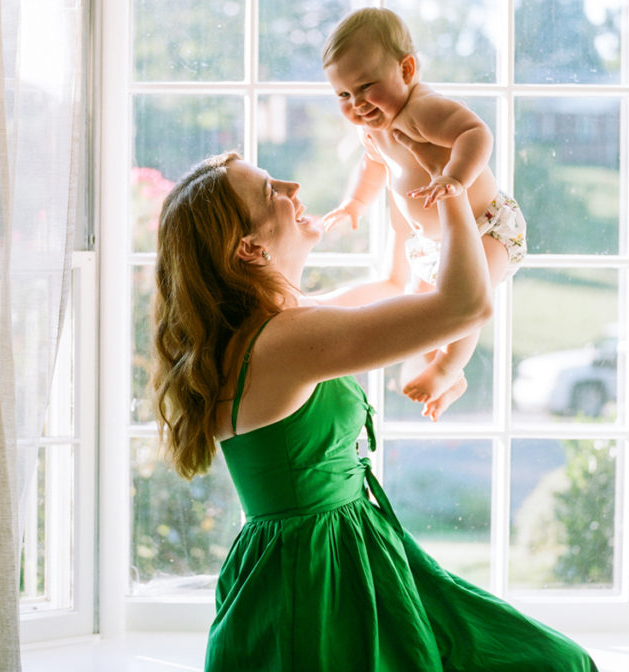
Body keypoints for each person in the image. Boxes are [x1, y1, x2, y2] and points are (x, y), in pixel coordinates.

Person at [152, 148, 597, 672]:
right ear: (249, 247)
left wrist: (392, 162)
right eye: (272, 190)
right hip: (316, 576)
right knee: (554, 664)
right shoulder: (286, 340)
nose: (294, 188)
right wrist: (452, 196)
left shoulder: (275, 327)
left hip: (346, 549)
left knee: (550, 660)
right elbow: (465, 306)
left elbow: (393, 284)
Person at [322, 7, 527, 420]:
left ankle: (449, 366)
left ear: (407, 69)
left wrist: (454, 178)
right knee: (417, 318)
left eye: (366, 86)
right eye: (344, 95)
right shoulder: (373, 125)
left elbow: (475, 132)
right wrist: (355, 202)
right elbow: (373, 165)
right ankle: (452, 380)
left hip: (487, 228)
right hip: (433, 246)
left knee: (467, 304)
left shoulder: (423, 110)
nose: (357, 104)